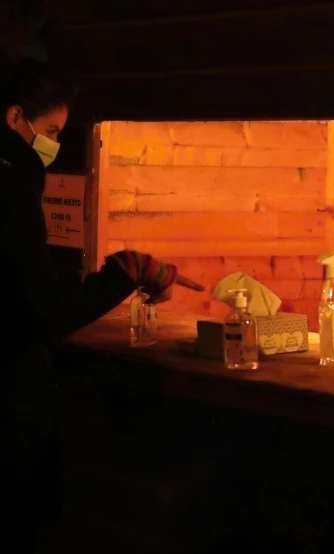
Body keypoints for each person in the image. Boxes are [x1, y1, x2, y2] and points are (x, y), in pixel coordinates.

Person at [0, 58, 205, 552]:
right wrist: (126, 271)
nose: (53, 144)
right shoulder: (9, 190)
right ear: (14, 119)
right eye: (50, 129)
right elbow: (43, 311)